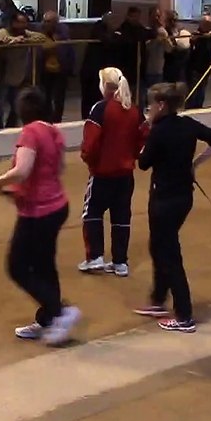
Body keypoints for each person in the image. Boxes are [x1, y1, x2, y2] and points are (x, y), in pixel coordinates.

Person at [134, 82, 211, 333]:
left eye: (151, 105)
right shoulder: (188, 124)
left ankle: (184, 315)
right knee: (160, 247)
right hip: (183, 197)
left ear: (161, 105)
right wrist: (195, 164)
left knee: (169, 254)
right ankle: (158, 300)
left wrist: (148, 132)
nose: (148, 109)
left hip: (163, 199)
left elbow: (143, 163)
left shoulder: (159, 131)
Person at [0, 88, 82, 346]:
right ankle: (49, 319)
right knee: (44, 265)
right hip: (56, 205)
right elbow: (59, 168)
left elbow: (22, 171)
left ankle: (59, 311)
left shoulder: (31, 132)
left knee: (17, 266)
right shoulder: (54, 132)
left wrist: (0, 182)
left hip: (38, 212)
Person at [79, 68, 147, 277]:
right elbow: (143, 139)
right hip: (125, 175)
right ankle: (120, 262)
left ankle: (95, 257)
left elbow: (90, 143)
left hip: (101, 174)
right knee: (121, 216)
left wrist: (89, 160)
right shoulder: (135, 110)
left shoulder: (100, 109)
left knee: (91, 213)